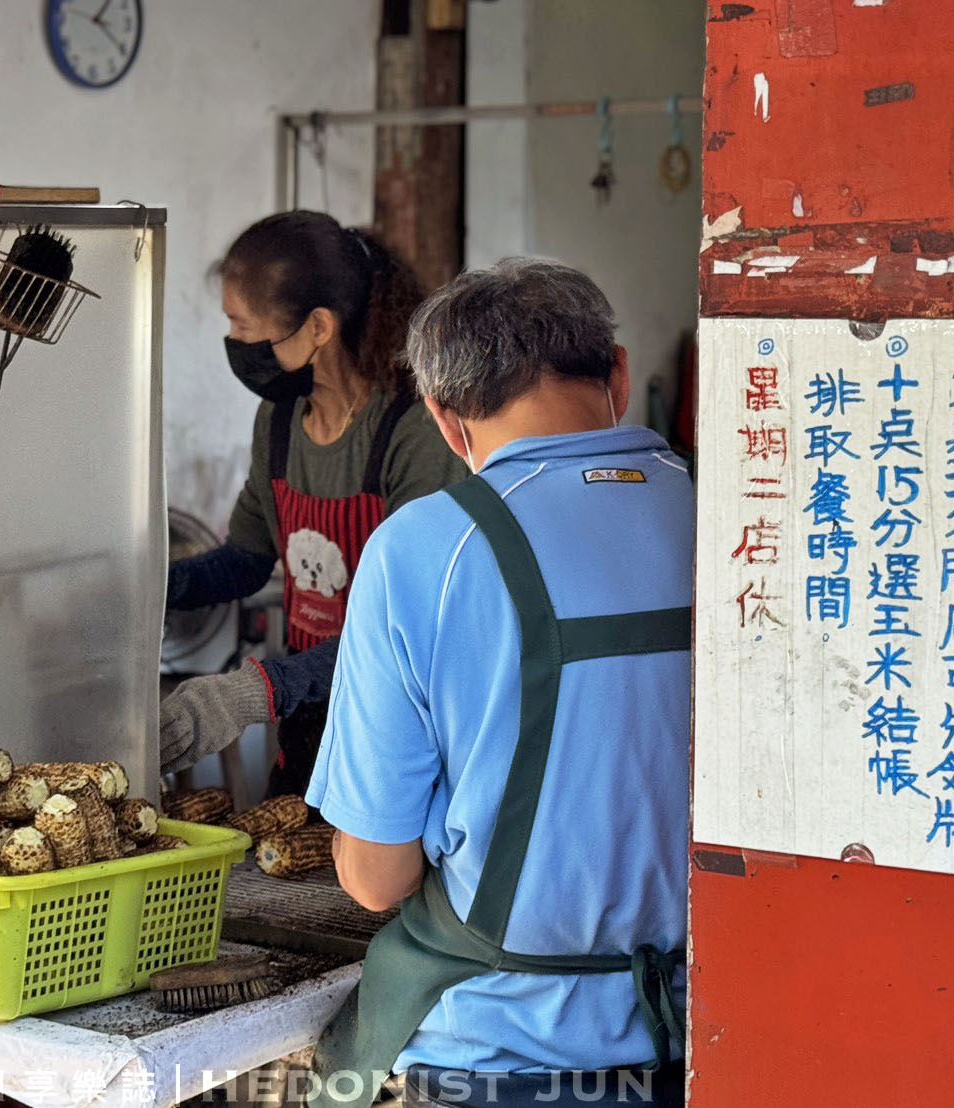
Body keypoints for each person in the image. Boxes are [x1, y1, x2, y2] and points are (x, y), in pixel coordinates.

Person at [305, 260, 691, 1108]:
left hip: (502, 1051)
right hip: (716, 1038)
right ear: (619, 374)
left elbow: (377, 877)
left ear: (445, 420)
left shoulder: (423, 548)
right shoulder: (737, 516)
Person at [160, 211, 465, 796]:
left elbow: (413, 631)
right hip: (308, 730)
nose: (235, 344)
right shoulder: (279, 421)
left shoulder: (412, 433)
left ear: (319, 327)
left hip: (398, 738)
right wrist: (151, 590)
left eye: (243, 325)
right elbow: (247, 560)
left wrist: (256, 690)